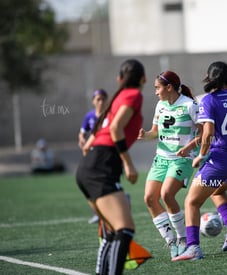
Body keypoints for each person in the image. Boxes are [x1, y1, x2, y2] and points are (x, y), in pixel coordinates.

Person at [172, 61, 227, 261]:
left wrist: (201, 155)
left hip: (220, 162)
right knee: (216, 191)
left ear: (209, 78)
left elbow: (208, 133)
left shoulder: (209, 100)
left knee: (192, 201)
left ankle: (193, 248)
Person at [76, 59, 145, 275]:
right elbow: (116, 129)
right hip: (102, 167)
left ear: (119, 79)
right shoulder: (133, 95)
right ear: (143, 79)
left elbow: (93, 140)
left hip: (91, 166)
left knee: (114, 231)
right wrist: (128, 164)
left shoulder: (116, 99)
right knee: (125, 230)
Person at [137, 71, 202, 258]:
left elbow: (205, 133)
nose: (156, 92)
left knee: (166, 194)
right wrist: (145, 135)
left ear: (169, 87)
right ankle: (171, 241)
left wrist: (189, 147)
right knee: (149, 198)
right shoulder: (160, 105)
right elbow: (155, 132)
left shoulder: (190, 105)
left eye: (157, 88)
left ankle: (183, 239)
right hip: (161, 158)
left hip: (182, 159)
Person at [78, 89, 108, 224]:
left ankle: (110, 208)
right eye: (98, 99)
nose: (100, 102)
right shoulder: (89, 116)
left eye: (103, 99)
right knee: (87, 182)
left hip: (105, 154)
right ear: (93, 101)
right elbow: (82, 132)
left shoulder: (109, 116)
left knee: (104, 183)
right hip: (91, 153)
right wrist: (82, 140)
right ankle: (97, 212)